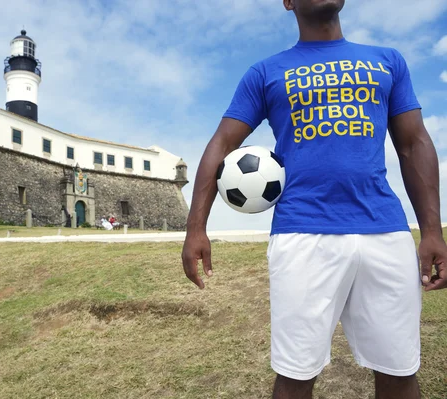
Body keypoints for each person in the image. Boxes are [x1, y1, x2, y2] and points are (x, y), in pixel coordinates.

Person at [181, 1, 447, 398]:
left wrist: (432, 231)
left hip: (385, 232)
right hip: (302, 235)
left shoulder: (387, 61)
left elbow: (413, 143)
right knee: (295, 376)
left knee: (399, 372)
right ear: (287, 2)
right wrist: (195, 227)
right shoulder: (265, 72)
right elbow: (222, 141)